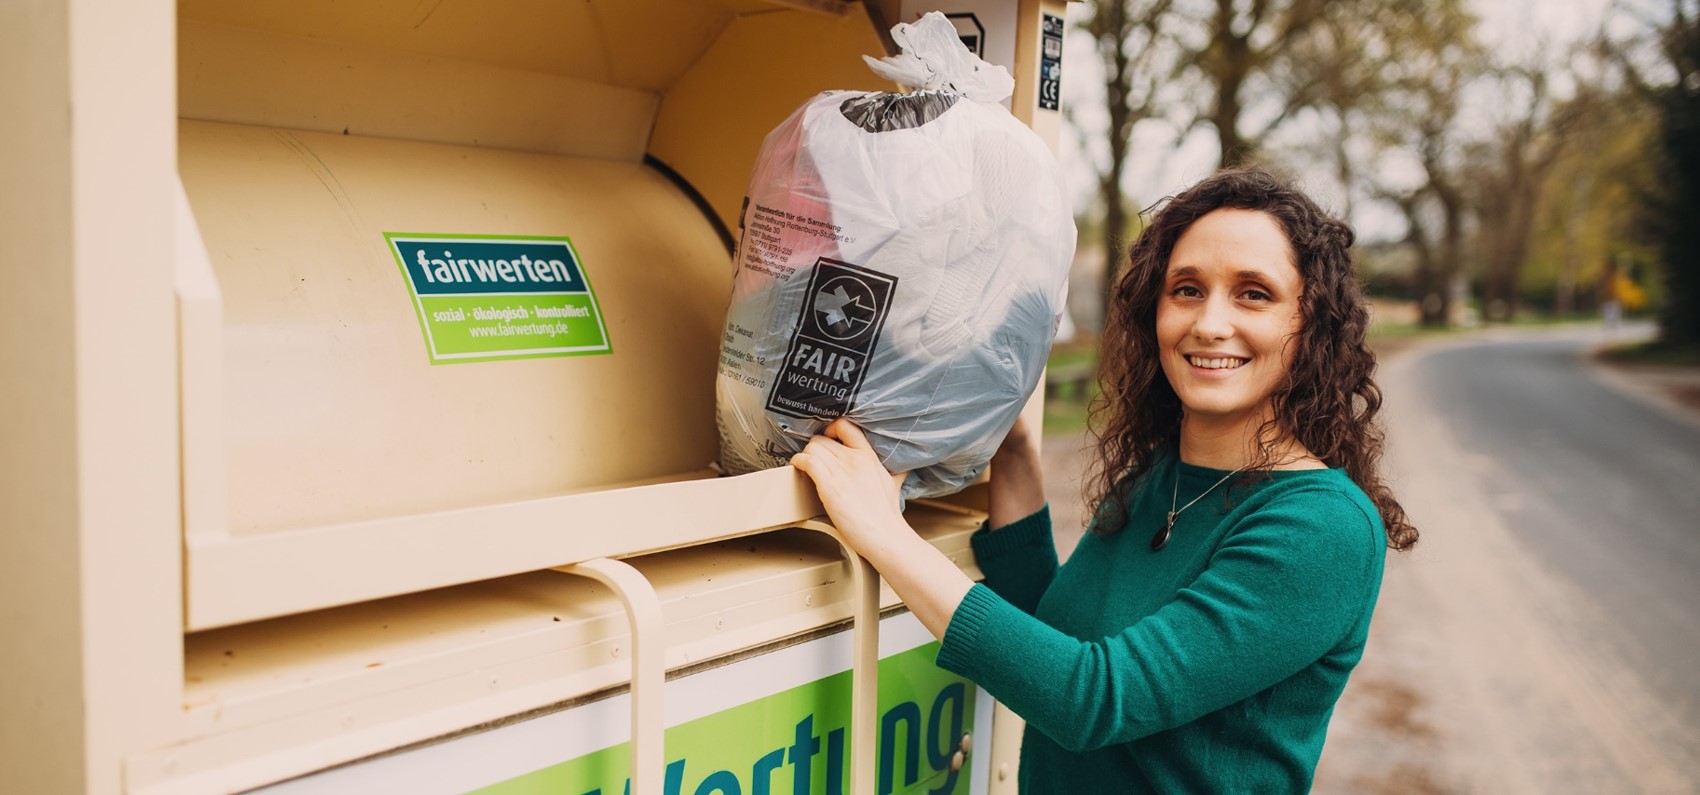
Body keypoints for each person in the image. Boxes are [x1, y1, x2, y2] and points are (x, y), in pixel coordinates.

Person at [790, 167, 1419, 792]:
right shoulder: (1158, 478)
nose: (1209, 323)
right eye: (1187, 289)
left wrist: (880, 531)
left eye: (1253, 293)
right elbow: (1049, 634)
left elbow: (1091, 698)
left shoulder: (1322, 526)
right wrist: (1011, 450)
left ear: (1311, 326)